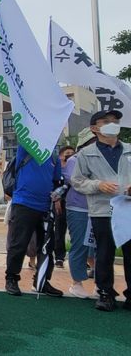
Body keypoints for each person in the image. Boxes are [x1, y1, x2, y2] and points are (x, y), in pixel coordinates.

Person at [71, 109, 131, 311]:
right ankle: (105, 293)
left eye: (115, 120)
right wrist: (98, 185)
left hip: (128, 209)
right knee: (104, 252)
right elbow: (78, 181)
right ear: (94, 128)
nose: (112, 124)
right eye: (106, 121)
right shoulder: (86, 154)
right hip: (102, 210)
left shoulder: (129, 149)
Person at [4, 143, 64, 298]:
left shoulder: (54, 155)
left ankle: (42, 280)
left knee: (46, 247)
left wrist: (57, 195)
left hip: (45, 205)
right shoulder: (25, 147)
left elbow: (57, 180)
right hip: (23, 203)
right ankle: (11, 278)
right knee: (19, 244)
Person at [65, 127, 96, 298]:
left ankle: (101, 283)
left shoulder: (103, 158)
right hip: (79, 208)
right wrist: (99, 184)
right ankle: (77, 283)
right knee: (80, 245)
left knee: (101, 246)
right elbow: (77, 182)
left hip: (100, 208)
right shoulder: (74, 160)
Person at [54, 145, 76, 268]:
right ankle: (59, 257)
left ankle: (80, 259)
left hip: (74, 203)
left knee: (76, 232)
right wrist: (56, 200)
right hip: (60, 204)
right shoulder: (58, 170)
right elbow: (55, 186)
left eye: (72, 153)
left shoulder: (76, 169)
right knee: (59, 231)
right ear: (61, 155)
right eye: (67, 153)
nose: (70, 155)